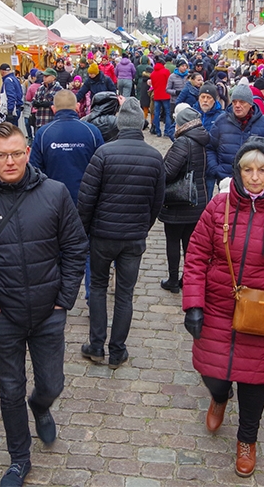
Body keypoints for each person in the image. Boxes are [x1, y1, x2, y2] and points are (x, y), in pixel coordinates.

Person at [0, 122, 87, 487]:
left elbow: (75, 248)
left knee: (51, 383)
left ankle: (41, 406)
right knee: (10, 389)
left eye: (16, 153)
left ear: (27, 153)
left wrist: (63, 301)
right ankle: (19, 458)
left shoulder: (55, 193)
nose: (9, 161)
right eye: (1, 155)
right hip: (3, 316)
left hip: (48, 314)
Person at [181, 137, 264, 478]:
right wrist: (193, 304)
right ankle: (219, 397)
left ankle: (247, 440)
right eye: (248, 169)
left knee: (253, 384)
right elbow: (195, 257)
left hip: (262, 311)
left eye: (262, 169)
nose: (255, 177)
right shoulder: (218, 207)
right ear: (238, 172)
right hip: (218, 305)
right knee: (214, 374)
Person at [77, 98, 165, 369]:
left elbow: (87, 198)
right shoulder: (154, 157)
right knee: (125, 294)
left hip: (103, 234)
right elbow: (156, 202)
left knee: (99, 287)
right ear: (140, 124)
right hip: (133, 237)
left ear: (119, 123)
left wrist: (85, 230)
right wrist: (142, 228)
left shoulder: (104, 153)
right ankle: (117, 350)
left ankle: (96, 345)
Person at [158, 104, 209, 293]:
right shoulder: (201, 140)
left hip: (178, 201)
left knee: (173, 240)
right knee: (189, 243)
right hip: (197, 200)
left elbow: (168, 172)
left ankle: (173, 280)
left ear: (182, 124)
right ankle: (188, 279)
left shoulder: (183, 142)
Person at [30, 90, 104, 204]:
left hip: (52, 200)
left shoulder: (43, 134)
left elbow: (35, 170)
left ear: (53, 109)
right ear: (78, 107)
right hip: (86, 200)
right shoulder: (92, 131)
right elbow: (102, 168)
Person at [206, 84, 264, 183]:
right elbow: (210, 147)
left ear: (250, 104)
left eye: (242, 102)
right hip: (226, 179)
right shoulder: (221, 121)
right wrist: (216, 170)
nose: (237, 105)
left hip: (254, 182)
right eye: (234, 102)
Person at [149, 57, 173, 138]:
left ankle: (158, 131)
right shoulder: (166, 71)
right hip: (166, 95)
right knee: (167, 113)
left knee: (156, 113)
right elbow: (169, 83)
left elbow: (153, 85)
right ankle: (166, 132)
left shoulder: (153, 73)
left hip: (157, 95)